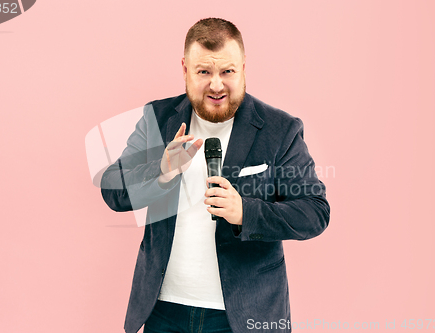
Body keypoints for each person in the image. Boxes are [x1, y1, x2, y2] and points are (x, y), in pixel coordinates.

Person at [101, 18, 330, 333]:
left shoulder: (280, 130)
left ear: (243, 67)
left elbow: (314, 212)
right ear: (185, 69)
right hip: (163, 312)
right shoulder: (158, 118)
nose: (217, 85)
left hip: (244, 316)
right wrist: (161, 171)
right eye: (204, 72)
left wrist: (244, 212)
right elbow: (113, 189)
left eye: (228, 71)